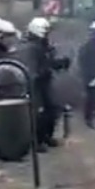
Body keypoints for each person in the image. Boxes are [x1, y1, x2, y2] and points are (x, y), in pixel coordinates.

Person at [21, 16, 70, 151]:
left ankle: (47, 136)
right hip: (35, 83)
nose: (48, 33)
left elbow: (48, 62)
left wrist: (60, 63)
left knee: (52, 109)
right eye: (46, 30)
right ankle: (37, 141)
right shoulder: (30, 46)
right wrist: (40, 72)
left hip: (44, 81)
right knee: (38, 112)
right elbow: (32, 66)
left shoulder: (43, 45)